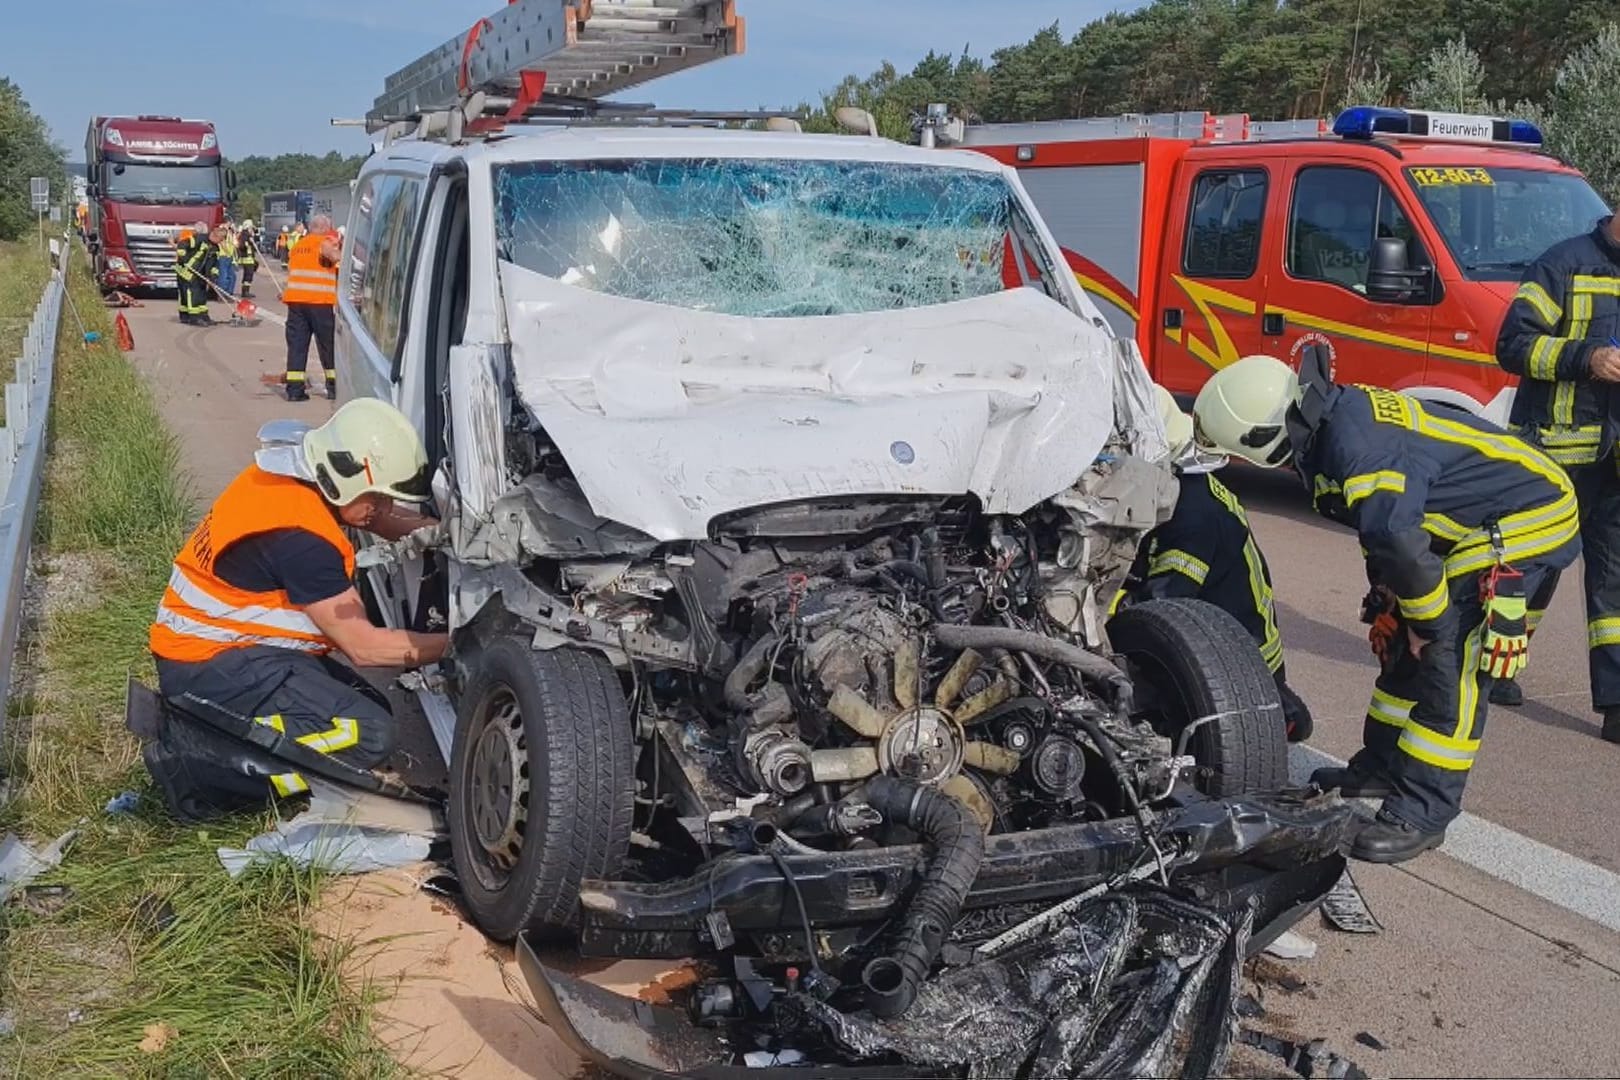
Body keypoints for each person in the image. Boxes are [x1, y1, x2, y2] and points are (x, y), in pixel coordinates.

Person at [1193, 352, 1579, 862]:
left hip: (1528, 517)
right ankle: (1380, 768)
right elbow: (1388, 535)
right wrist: (1394, 602)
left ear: (1263, 441)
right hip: (1469, 517)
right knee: (1400, 646)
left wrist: (1428, 622)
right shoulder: (1331, 422)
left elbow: (1397, 539)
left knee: (1448, 658)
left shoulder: (1355, 450)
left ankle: (1424, 810)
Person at [148, 398, 445, 799]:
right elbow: (366, 648)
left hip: (220, 649)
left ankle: (219, 732)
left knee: (364, 705)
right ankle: (205, 764)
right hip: (208, 668)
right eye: (377, 496)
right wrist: (459, 644)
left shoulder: (296, 475)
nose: (385, 508)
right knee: (369, 732)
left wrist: (444, 534)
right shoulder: (302, 540)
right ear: (345, 476)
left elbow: (375, 516)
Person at [1116, 386, 1313, 742]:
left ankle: (1275, 712)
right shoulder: (1185, 486)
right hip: (1226, 634)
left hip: (1240, 663)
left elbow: (1157, 607)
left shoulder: (1193, 515)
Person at [1495, 212, 1620, 740]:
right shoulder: (1563, 264)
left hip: (1614, 463)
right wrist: (1586, 357)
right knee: (1537, 568)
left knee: (1614, 584)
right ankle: (1496, 669)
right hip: (1555, 454)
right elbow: (1513, 345)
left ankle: (1616, 707)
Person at [282, 213, 341, 402]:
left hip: (296, 302)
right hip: (319, 302)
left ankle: (294, 390)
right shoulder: (325, 242)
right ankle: (334, 386)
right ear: (324, 227)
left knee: (297, 346)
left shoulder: (299, 245)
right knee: (328, 346)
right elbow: (336, 258)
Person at [174, 224, 215, 325]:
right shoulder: (197, 239)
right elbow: (181, 246)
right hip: (186, 271)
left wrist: (211, 277)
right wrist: (185, 260)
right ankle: (193, 317)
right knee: (191, 293)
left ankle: (198, 315)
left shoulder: (212, 246)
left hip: (196, 272)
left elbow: (210, 263)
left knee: (199, 294)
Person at [237, 218, 259, 299]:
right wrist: (248, 242)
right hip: (247, 259)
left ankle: (246, 291)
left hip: (249, 258)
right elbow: (242, 246)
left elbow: (257, 239)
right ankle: (245, 292)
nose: (251, 229)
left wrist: (254, 235)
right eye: (250, 228)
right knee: (248, 275)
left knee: (248, 275)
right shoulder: (245, 235)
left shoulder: (248, 235)